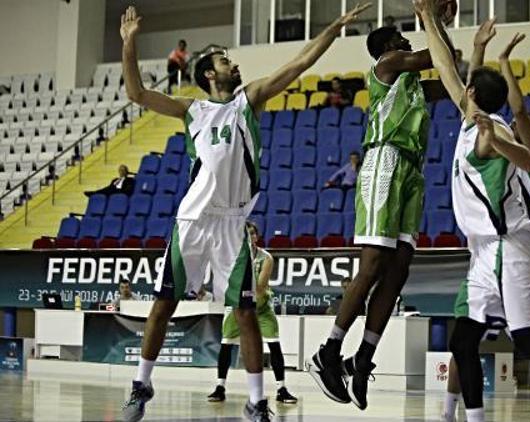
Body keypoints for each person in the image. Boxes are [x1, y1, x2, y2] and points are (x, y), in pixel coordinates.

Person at [118, 4, 369, 421]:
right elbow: (137, 94)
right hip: (193, 220)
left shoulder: (248, 101)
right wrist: (129, 43)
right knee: (163, 303)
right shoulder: (191, 111)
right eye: (224, 60)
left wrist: (336, 28)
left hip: (233, 225)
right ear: (209, 75)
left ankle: (256, 402)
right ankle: (141, 386)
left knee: (246, 312)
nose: (232, 64)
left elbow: (300, 62)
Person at [416, 3, 530, 419]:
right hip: (485, 252)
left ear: (472, 96)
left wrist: (500, 141)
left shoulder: (493, 130)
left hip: (509, 247)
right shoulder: (471, 119)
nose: (462, 88)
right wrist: (430, 21)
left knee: (529, 339)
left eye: (468, 87)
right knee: (463, 342)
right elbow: (449, 70)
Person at [307, 3, 453, 411]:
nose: (406, 39)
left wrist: (442, 27)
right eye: (401, 37)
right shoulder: (389, 64)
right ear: (387, 46)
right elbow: (433, 56)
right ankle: (328, 353)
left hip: (412, 171)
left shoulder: (414, 89)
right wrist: (433, 19)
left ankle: (362, 359)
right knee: (372, 264)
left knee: (400, 266)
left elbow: (449, 68)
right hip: (384, 162)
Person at [207, 222, 298, 405]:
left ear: (257, 236)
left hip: (261, 307)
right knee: (226, 344)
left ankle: (281, 389)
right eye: (246, 234)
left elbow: (260, 288)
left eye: (253, 234)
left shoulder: (266, 258)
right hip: (237, 306)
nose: (250, 237)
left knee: (274, 344)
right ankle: (220, 387)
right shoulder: (231, 258)